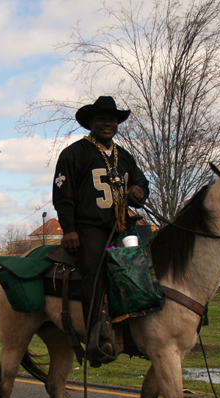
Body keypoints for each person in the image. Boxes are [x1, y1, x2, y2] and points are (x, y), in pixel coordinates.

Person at [51, 96, 149, 366]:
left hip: (121, 227)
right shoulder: (74, 154)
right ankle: (96, 337)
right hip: (89, 228)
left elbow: (141, 181)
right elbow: (63, 195)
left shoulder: (125, 157)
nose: (108, 123)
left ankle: (138, 329)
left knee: (145, 264)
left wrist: (140, 190)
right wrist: (69, 229)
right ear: (90, 123)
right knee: (95, 270)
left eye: (113, 119)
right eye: (102, 119)